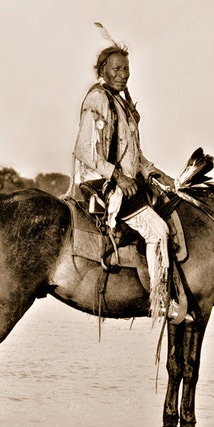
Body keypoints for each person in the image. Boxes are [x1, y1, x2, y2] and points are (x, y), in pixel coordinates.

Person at [69, 42, 177, 321]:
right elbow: (85, 151)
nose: (123, 74)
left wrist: (154, 172)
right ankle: (160, 300)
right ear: (102, 70)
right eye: (116, 68)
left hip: (124, 180)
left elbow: (134, 156)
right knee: (159, 232)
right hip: (101, 181)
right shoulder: (97, 99)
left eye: (126, 69)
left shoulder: (120, 103)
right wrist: (118, 176)